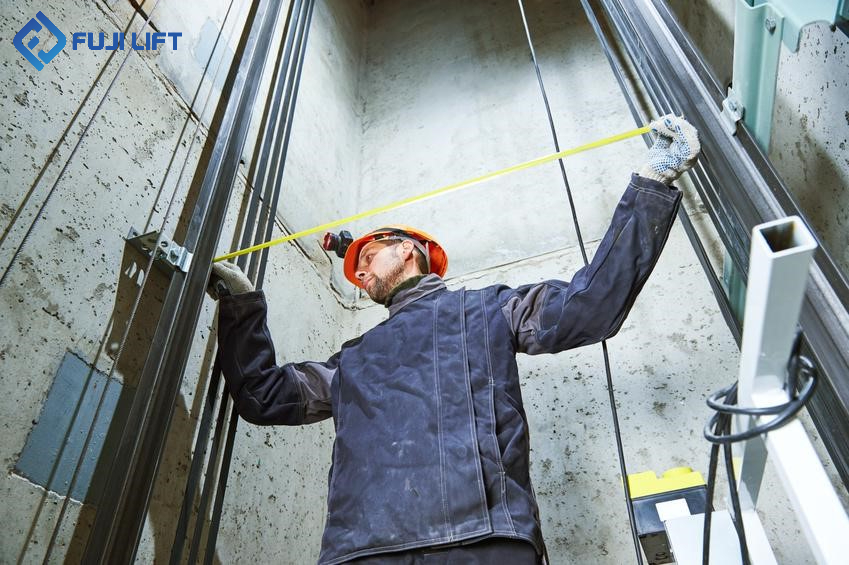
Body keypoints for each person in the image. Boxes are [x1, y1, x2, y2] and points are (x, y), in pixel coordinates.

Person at [208, 114, 700, 564]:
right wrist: (241, 306)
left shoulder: (489, 311)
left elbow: (588, 307)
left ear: (408, 250)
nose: (360, 273)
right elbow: (265, 396)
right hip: (362, 552)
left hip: (481, 542)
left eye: (368, 257)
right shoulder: (352, 361)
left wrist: (652, 183)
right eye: (356, 270)